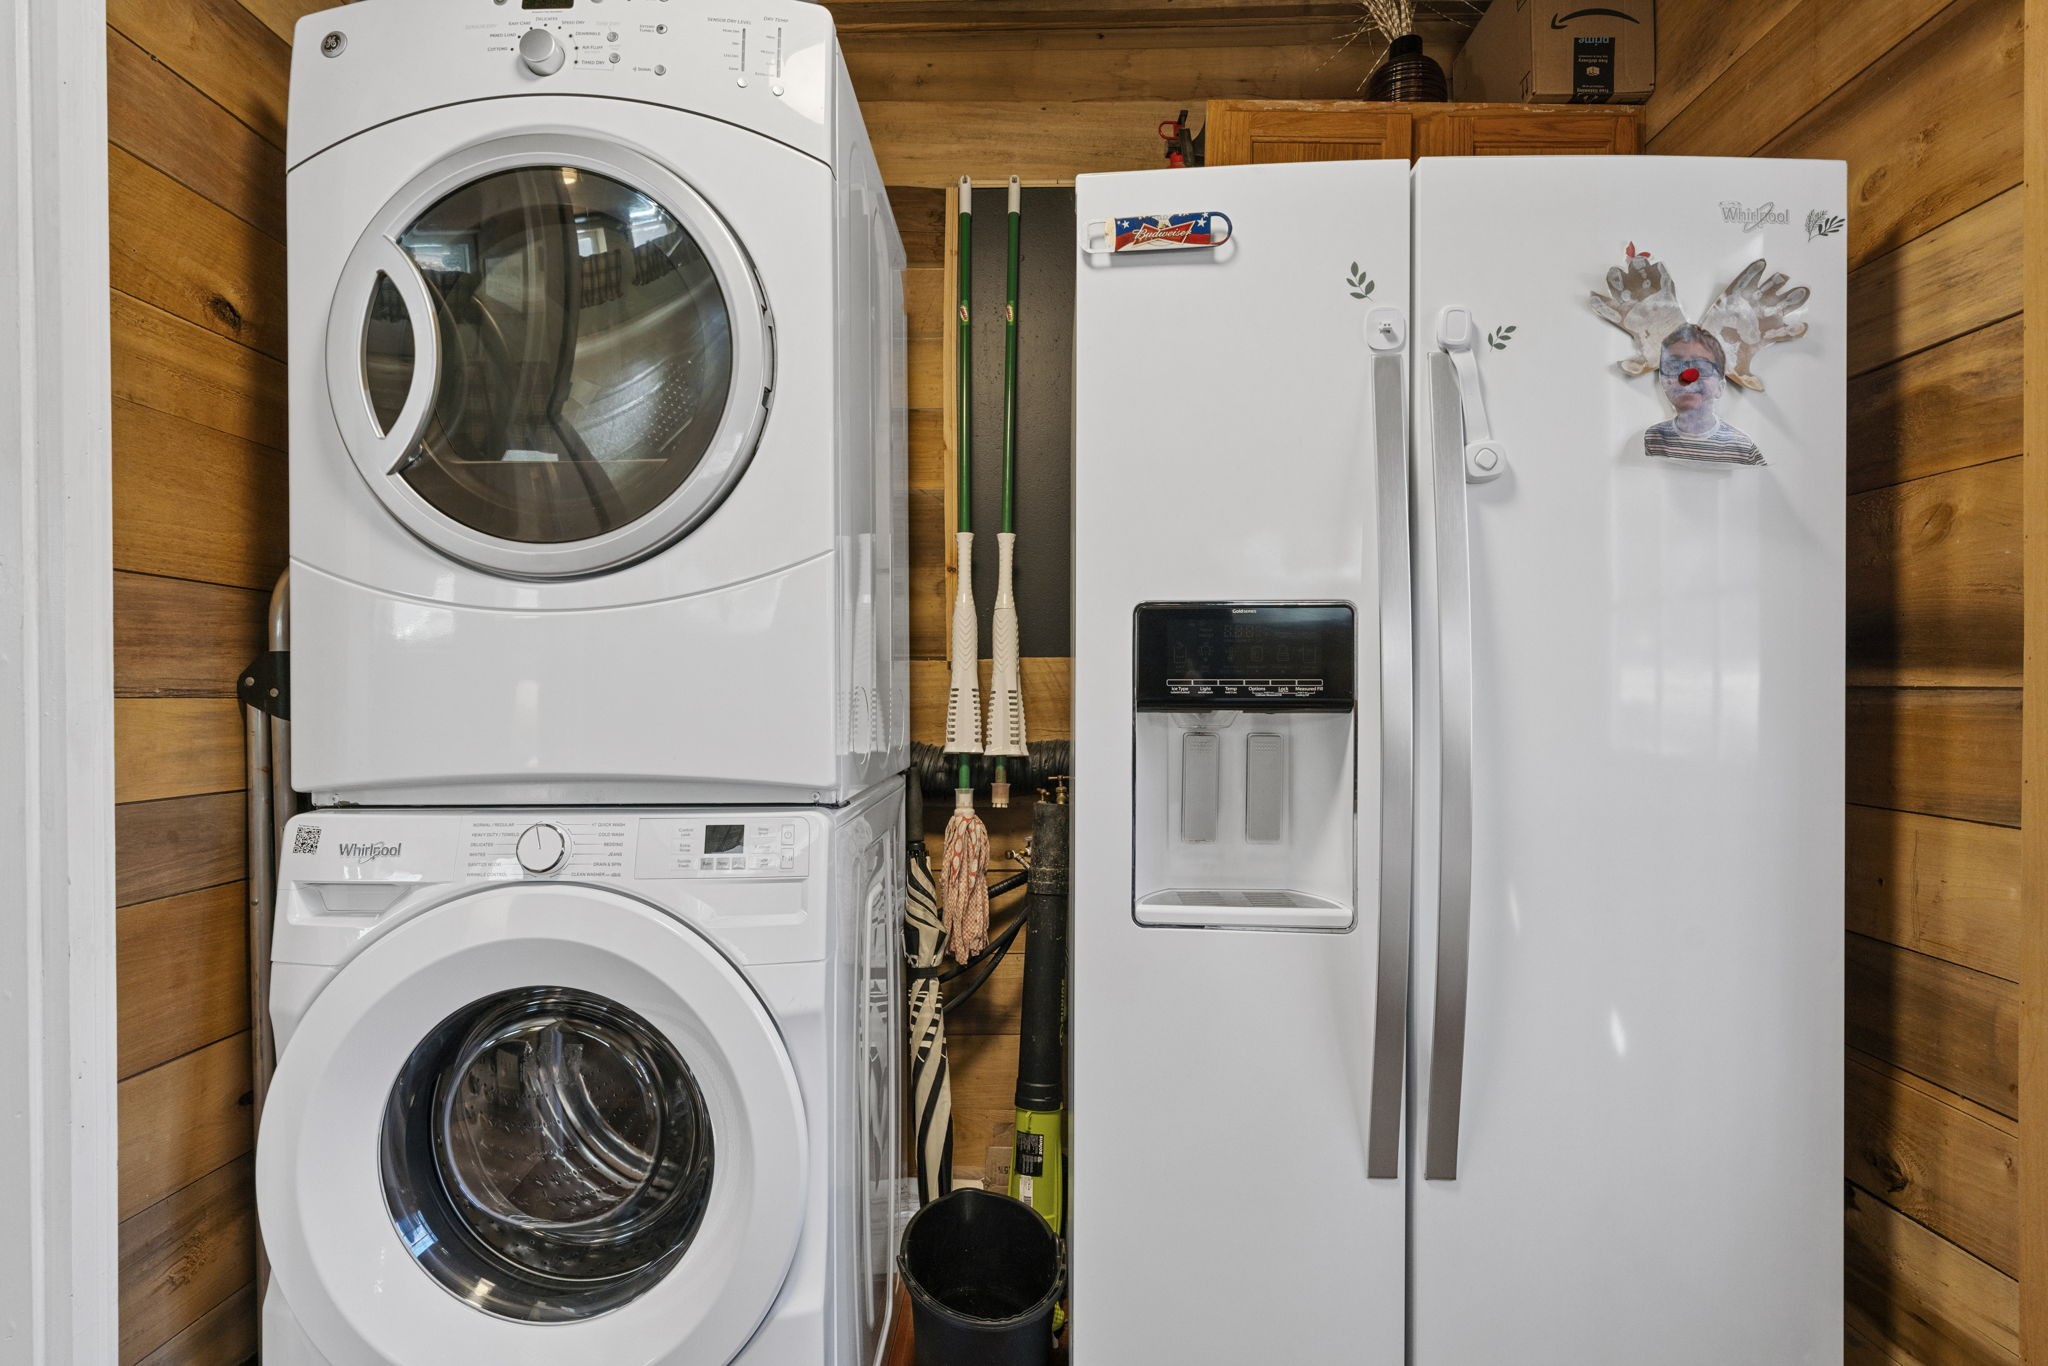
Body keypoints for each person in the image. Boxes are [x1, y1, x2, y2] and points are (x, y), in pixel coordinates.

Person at [1641, 324, 1765, 466]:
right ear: (1663, 382)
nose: (1686, 377)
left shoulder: (1742, 447)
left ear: (1720, 386)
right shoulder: (1654, 438)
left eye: (1701, 367)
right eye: (1674, 366)